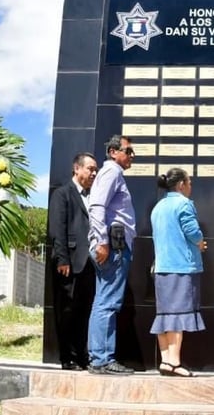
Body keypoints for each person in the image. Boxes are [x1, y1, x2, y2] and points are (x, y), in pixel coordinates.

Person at [150, 168, 208, 377]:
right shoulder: (183, 204)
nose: (191, 186)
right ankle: (174, 361)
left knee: (164, 315)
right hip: (180, 266)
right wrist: (201, 243)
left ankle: (165, 360)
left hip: (161, 267)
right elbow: (192, 231)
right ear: (181, 184)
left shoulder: (158, 207)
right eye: (189, 182)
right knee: (177, 315)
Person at [87, 134, 136, 375]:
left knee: (103, 300)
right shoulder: (112, 172)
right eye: (128, 151)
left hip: (113, 245)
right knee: (108, 302)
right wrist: (103, 242)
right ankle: (102, 359)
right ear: (113, 152)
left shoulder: (112, 174)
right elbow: (96, 206)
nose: (131, 156)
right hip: (113, 246)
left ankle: (100, 357)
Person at [48, 152, 99, 370]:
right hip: (68, 262)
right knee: (66, 311)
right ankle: (66, 357)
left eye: (95, 169)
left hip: (88, 263)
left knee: (83, 311)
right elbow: (57, 229)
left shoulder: (92, 196)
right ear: (76, 169)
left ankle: (81, 355)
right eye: (90, 168)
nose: (94, 173)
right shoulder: (63, 194)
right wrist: (62, 259)